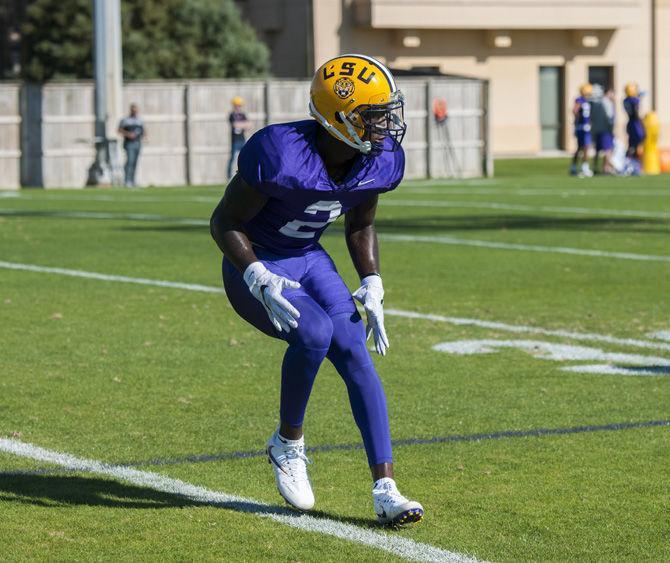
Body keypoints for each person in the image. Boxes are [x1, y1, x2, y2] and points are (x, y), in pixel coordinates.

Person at [210, 54, 424, 526]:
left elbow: (360, 225)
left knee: (351, 346)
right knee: (314, 332)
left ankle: (385, 486)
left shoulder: (377, 160)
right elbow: (224, 221)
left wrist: (372, 280)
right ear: (339, 117)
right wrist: (255, 273)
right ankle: (287, 444)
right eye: (374, 116)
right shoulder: (280, 153)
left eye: (388, 113)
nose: (387, 126)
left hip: (308, 257)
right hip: (257, 263)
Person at [117, 103, 146, 187]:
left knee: (135, 163)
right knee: (129, 161)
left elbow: (143, 130)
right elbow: (119, 130)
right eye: (133, 110)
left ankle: (133, 180)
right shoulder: (125, 120)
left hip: (138, 143)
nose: (135, 111)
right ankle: (127, 181)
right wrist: (128, 134)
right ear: (131, 110)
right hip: (129, 143)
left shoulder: (140, 120)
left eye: (136, 110)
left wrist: (144, 136)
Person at [590, 86, 615, 175]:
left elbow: (592, 116)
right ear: (608, 92)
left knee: (597, 150)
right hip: (605, 130)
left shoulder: (596, 103)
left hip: (597, 129)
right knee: (608, 149)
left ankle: (595, 168)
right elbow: (609, 117)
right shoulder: (607, 102)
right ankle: (607, 168)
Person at [570, 84, 593, 177]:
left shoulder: (587, 101)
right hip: (582, 127)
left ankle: (574, 167)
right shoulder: (580, 100)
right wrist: (580, 121)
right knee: (585, 147)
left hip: (584, 127)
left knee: (580, 148)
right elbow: (575, 111)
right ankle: (585, 168)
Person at [227, 96, 250, 180]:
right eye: (238, 105)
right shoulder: (232, 115)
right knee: (232, 158)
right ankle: (229, 176)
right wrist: (243, 124)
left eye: (240, 105)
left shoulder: (243, 115)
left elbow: (248, 125)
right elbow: (235, 125)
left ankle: (244, 173)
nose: (239, 107)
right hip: (235, 140)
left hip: (242, 139)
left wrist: (241, 124)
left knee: (244, 157)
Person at [623, 82, 645, 159]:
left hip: (630, 123)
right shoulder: (634, 100)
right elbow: (636, 113)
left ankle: (628, 160)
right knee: (639, 141)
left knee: (631, 143)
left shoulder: (625, 100)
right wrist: (641, 120)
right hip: (635, 123)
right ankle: (634, 160)